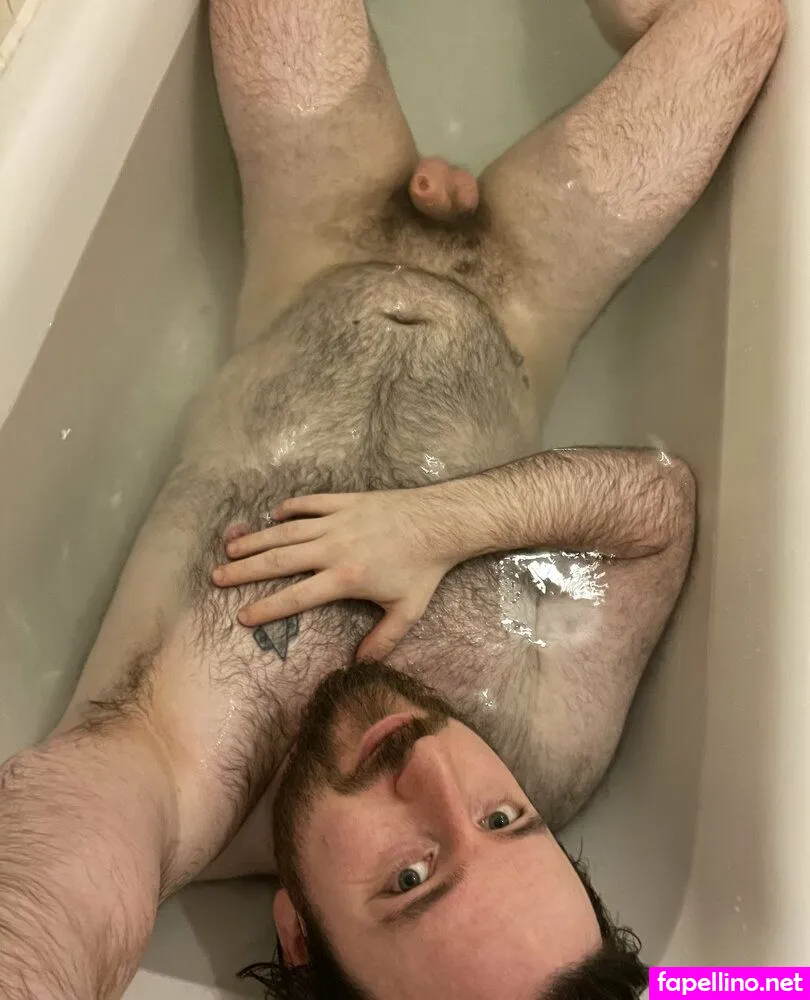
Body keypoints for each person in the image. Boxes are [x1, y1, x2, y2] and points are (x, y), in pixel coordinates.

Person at [0, 0, 783, 997]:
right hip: (528, 281)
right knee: (739, 17)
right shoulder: (546, 748)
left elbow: (47, 914)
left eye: (412, 876)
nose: (433, 768)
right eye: (505, 821)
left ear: (297, 936)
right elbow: (659, 510)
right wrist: (435, 525)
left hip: (311, 225)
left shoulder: (173, 772)